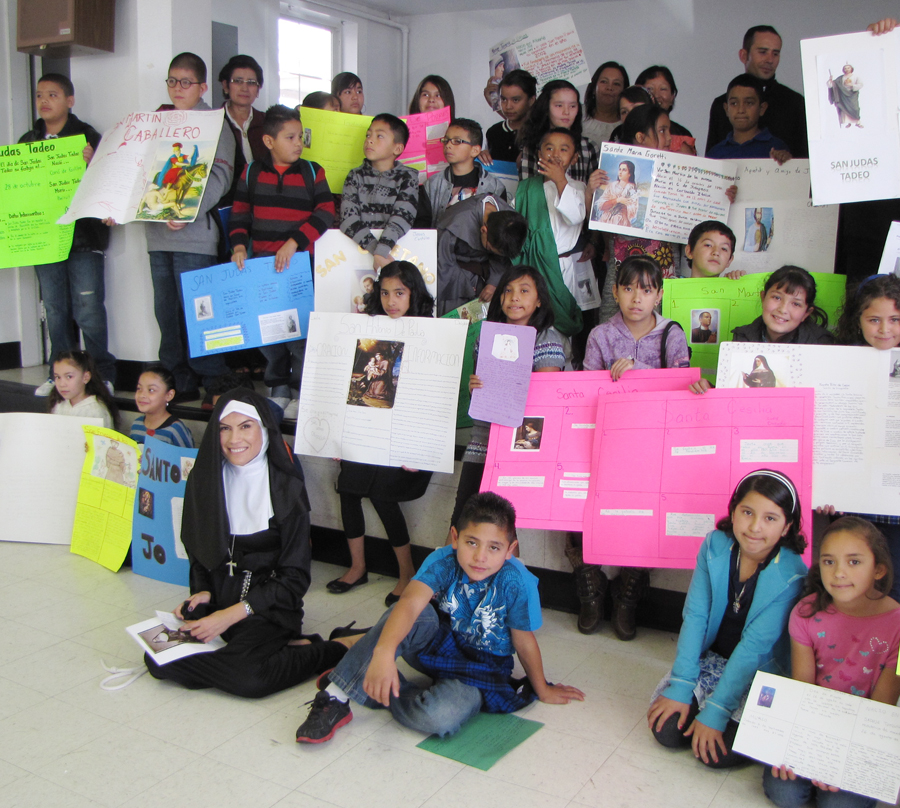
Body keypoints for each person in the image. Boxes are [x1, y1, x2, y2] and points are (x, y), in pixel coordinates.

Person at [295, 492, 585, 744]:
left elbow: (523, 640)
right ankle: (336, 693)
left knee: (440, 718)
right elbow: (409, 604)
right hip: (434, 644)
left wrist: (542, 689)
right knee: (415, 614)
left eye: (494, 547)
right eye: (472, 542)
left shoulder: (517, 582)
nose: (480, 557)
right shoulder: (442, 561)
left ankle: (365, 680)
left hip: (481, 668)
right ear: (456, 538)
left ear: (510, 550)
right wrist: (383, 653)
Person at [144, 389, 359, 697]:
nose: (234, 439)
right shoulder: (205, 481)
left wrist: (232, 614)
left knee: (249, 678)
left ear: (264, 429)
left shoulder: (286, 489)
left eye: (245, 426)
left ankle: (335, 648)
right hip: (218, 599)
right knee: (156, 658)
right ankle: (277, 651)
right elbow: (198, 547)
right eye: (225, 428)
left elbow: (295, 578)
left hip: (269, 608)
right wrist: (202, 590)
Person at [648, 470, 808, 767]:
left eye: (770, 518)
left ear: (787, 527)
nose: (755, 527)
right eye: (747, 512)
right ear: (733, 512)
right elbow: (695, 616)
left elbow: (754, 648)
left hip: (758, 672)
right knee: (668, 731)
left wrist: (718, 709)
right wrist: (681, 685)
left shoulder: (792, 574)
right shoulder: (714, 546)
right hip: (714, 660)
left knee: (716, 754)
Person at [580, 256, 690, 638]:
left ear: (659, 294)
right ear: (615, 291)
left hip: (654, 446)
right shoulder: (601, 335)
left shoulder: (672, 334)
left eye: (646, 290)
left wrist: (639, 373)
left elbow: (683, 388)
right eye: (628, 288)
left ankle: (629, 591)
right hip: (607, 442)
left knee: (645, 516)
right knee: (582, 510)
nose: (636, 298)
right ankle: (589, 586)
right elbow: (586, 390)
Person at [763, 517, 900, 808]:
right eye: (828, 561)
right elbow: (803, 688)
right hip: (814, 724)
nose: (838, 572)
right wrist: (804, 748)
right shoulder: (805, 612)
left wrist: (843, 761)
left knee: (839, 804)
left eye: (854, 562)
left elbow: (883, 708)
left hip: (864, 734)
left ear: (879, 569)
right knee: (783, 792)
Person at [329, 261, 435, 605]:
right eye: (385, 292)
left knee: (383, 496)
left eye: (399, 293)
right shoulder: (365, 329)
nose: (391, 301)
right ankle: (357, 567)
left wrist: (419, 447)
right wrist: (337, 435)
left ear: (413, 294)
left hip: (406, 433)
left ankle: (407, 574)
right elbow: (348, 383)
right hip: (365, 424)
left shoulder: (431, 333)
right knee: (348, 490)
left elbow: (434, 396)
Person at [229, 105, 335, 417]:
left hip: (300, 267)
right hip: (262, 267)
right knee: (269, 332)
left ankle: (302, 387)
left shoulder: (313, 171)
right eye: (290, 137)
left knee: (301, 331)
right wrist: (238, 246)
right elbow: (239, 214)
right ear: (269, 141)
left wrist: (294, 243)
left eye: (300, 136)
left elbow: (326, 212)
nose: (298, 143)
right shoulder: (251, 173)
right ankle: (278, 386)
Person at [144, 52, 233, 405]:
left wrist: (188, 211)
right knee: (165, 311)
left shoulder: (215, 123)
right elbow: (140, 170)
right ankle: (177, 381)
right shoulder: (157, 121)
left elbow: (221, 177)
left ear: (203, 87)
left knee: (200, 313)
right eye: (172, 81)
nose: (177, 88)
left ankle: (214, 380)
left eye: (186, 82)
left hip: (195, 235)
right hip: (156, 234)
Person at [19, 73, 117, 396]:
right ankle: (59, 375)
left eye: (52, 95)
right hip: (45, 238)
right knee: (55, 309)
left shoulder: (88, 137)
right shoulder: (28, 141)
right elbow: (19, 191)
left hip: (84, 237)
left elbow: (110, 181)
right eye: (39, 95)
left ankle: (100, 375)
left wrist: (92, 164)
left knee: (89, 309)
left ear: (69, 101)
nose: (44, 101)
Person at [449, 266, 566, 533]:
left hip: (520, 442)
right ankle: (450, 562)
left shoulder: (547, 338)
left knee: (505, 526)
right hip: (483, 438)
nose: (514, 297)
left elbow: (545, 398)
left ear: (539, 300)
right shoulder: (487, 335)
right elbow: (482, 388)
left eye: (524, 291)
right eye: (508, 290)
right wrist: (475, 388)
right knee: (463, 516)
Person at [833, 274, 900, 596]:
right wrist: (825, 487)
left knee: (894, 586)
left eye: (895, 319)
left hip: (896, 505)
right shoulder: (838, 363)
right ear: (857, 320)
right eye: (874, 319)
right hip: (854, 504)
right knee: (854, 586)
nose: (885, 329)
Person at [513, 128, 586, 341]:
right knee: (531, 323)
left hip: (561, 268)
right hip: (532, 267)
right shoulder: (527, 189)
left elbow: (575, 216)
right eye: (549, 148)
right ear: (539, 154)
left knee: (560, 327)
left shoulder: (578, 187)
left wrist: (561, 181)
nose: (555, 154)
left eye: (563, 149)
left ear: (574, 158)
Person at [705, 25, 808, 158]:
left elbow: (805, 160)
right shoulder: (721, 104)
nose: (770, 60)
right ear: (744, 55)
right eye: (763, 52)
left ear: (762, 108)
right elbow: (711, 162)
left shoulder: (795, 103)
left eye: (775, 53)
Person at [339, 114, 418, 272]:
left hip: (395, 254)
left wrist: (382, 251)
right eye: (368, 135)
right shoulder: (355, 176)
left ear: (397, 148)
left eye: (379, 136)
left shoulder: (408, 177)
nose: (370, 140)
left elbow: (402, 217)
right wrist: (377, 252)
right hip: (359, 253)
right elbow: (348, 219)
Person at [435, 192, 527, 314]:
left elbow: (502, 258)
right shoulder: (456, 222)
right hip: (453, 275)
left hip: (488, 274)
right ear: (484, 230)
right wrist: (465, 284)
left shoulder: (511, 221)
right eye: (489, 248)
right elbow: (442, 264)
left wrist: (493, 283)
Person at [417, 118, 507, 227]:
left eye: (457, 141)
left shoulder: (495, 187)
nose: (448, 145)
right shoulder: (432, 184)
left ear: (475, 150)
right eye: (446, 140)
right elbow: (422, 226)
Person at [518, 80, 599, 184]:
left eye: (572, 106)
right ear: (546, 107)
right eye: (559, 105)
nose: (566, 112)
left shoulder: (589, 147)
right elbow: (526, 188)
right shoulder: (532, 145)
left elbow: (596, 190)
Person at [733, 266, 835, 345]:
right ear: (763, 298)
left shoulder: (821, 344)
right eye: (777, 298)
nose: (783, 309)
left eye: (796, 304)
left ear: (806, 313)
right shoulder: (742, 338)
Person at [707, 75, 792, 163]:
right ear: (726, 109)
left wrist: (786, 161)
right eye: (734, 103)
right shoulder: (714, 154)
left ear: (762, 108)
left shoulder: (777, 148)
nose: (741, 110)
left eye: (749, 103)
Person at [218, 55, 267, 183]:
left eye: (251, 83)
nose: (244, 88)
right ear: (226, 86)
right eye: (238, 81)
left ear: (258, 90)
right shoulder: (213, 123)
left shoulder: (268, 123)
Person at [48, 350, 117, 430]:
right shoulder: (59, 404)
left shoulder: (95, 411)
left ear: (85, 377)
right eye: (58, 377)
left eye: (69, 376)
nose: (62, 384)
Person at [634, 65, 695, 153]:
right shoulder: (625, 130)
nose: (656, 95)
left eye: (663, 89)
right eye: (649, 89)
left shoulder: (682, 133)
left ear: (672, 96)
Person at [482, 69, 536, 165]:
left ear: (531, 100)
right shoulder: (493, 132)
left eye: (515, 100)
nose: (508, 106)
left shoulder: (540, 132)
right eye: (503, 99)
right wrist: (483, 158)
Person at [130, 365, 193, 447]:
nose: (142, 395)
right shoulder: (136, 424)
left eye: (151, 390)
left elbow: (187, 455)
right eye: (139, 388)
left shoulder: (175, 430)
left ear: (169, 395)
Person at [582, 61, 629, 149]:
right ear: (593, 88)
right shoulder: (576, 114)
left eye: (616, 84)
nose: (609, 88)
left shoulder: (628, 121)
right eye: (604, 81)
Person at [595, 160, 638, 226]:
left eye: (624, 170)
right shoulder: (611, 186)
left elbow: (632, 212)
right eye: (619, 169)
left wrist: (624, 206)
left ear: (630, 173)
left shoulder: (632, 190)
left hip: (622, 222)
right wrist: (616, 200)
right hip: (606, 220)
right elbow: (601, 206)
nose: (620, 172)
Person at [827, 64, 864, 129]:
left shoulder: (855, 77)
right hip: (843, 96)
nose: (846, 69)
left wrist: (852, 85)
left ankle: (857, 122)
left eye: (848, 68)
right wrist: (830, 80)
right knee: (844, 109)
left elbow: (860, 85)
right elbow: (833, 85)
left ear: (851, 69)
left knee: (855, 108)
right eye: (845, 68)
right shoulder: (840, 78)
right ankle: (848, 123)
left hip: (852, 95)